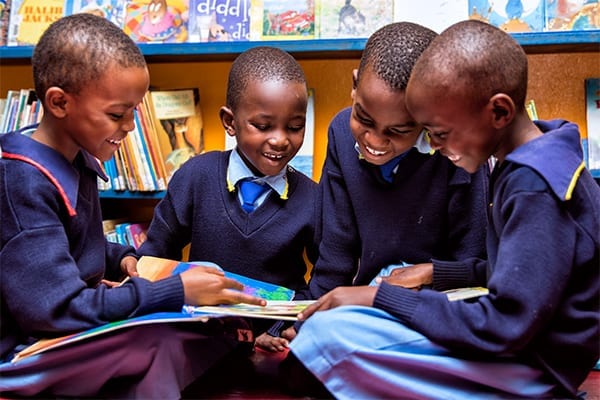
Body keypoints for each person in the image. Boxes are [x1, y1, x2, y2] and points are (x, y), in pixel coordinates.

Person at [282, 20, 600, 399]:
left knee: (329, 334)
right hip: (524, 352)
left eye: (440, 134)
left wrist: (379, 297)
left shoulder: (533, 186)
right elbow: (523, 276)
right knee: (340, 326)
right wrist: (434, 272)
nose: (433, 146)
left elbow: (505, 322)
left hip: (532, 368)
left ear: (499, 112)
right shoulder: (530, 161)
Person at [0, 14, 265, 399]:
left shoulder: (78, 158)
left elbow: (64, 248)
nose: (129, 126)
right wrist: (173, 292)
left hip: (54, 332)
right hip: (22, 352)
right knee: (158, 345)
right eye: (116, 114)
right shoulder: (22, 180)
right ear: (59, 102)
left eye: (134, 111)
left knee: (202, 333)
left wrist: (124, 259)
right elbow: (54, 309)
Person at [138, 46, 320, 352]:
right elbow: (156, 257)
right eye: (262, 126)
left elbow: (324, 278)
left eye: (295, 127)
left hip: (276, 342)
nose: (280, 139)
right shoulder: (196, 177)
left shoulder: (312, 198)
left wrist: (282, 328)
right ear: (229, 121)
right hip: (199, 334)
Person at [303, 21, 488, 313]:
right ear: (354, 86)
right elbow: (335, 255)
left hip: (438, 310)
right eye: (363, 119)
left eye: (398, 131)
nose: (375, 140)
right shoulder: (340, 131)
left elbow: (472, 266)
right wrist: (304, 318)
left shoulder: (457, 153)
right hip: (364, 306)